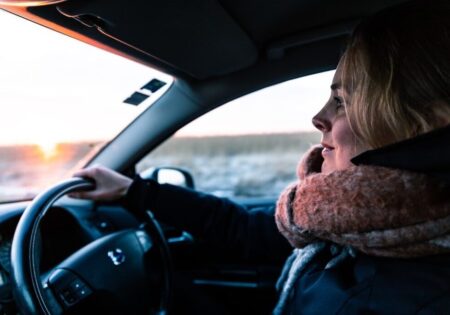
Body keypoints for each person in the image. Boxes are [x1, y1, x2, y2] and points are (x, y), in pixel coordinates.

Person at [70, 1, 450, 313]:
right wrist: (136, 192)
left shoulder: (411, 296)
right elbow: (246, 230)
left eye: (342, 101)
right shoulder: (353, 220)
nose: (318, 118)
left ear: (426, 126)